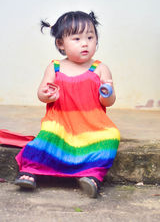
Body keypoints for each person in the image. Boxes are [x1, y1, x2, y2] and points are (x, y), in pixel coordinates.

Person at [15, 11, 120, 198]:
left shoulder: (101, 68)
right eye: (77, 38)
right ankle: (29, 171)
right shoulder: (55, 67)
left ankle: (92, 176)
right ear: (61, 44)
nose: (85, 43)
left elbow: (108, 102)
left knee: (111, 136)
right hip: (60, 122)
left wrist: (107, 92)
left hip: (91, 123)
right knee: (45, 140)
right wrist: (47, 94)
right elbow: (42, 94)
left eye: (90, 37)